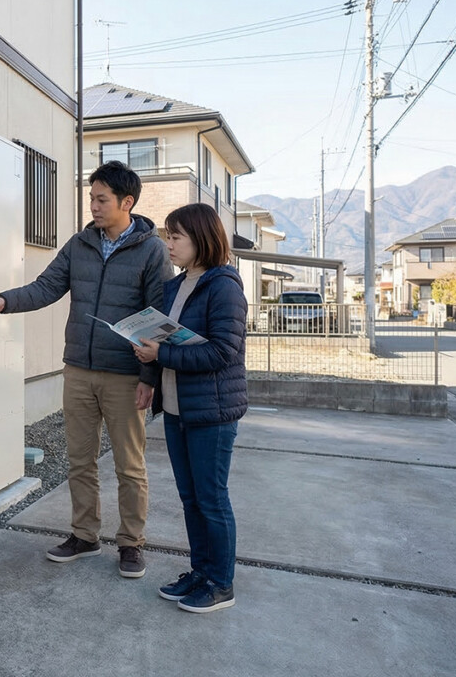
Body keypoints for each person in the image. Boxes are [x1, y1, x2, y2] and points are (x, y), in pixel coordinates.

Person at [0, 161, 173, 578]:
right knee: (79, 460)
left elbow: (159, 318)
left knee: (129, 465)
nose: (93, 207)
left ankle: (131, 543)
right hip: (78, 369)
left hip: (125, 374)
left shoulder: (152, 250)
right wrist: (5, 301)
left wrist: (149, 379)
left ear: (126, 202)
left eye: (102, 200)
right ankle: (84, 535)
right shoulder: (80, 244)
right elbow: (46, 287)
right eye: (91, 199)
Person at [132, 202, 248, 613]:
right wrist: (149, 365)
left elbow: (222, 351)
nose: (168, 244)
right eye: (168, 235)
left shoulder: (224, 286)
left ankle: (221, 583)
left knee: (211, 498)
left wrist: (161, 355)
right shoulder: (175, 285)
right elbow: (165, 341)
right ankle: (201, 572)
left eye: (176, 236)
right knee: (190, 497)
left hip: (212, 412)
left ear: (202, 238)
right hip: (178, 408)